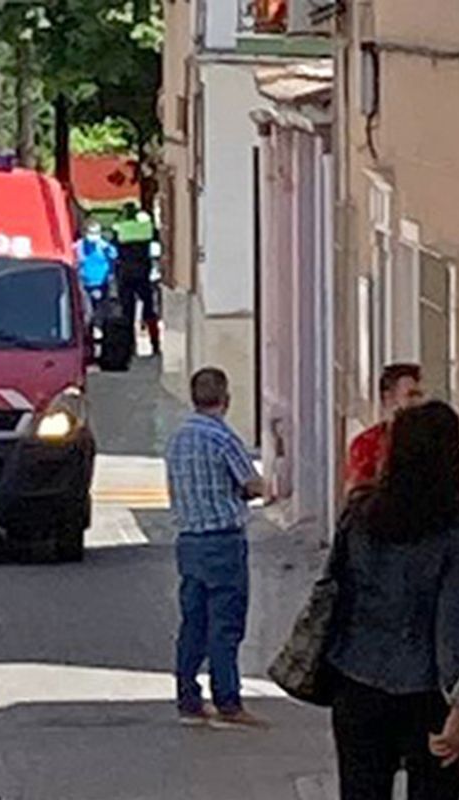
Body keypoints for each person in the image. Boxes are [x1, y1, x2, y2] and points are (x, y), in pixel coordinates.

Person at [325, 401, 459, 800]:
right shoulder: (454, 535)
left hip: (357, 686)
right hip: (427, 697)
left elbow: (335, 592)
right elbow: (455, 628)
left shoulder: (359, 516)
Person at [165, 368, 267, 730]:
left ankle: (188, 698)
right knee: (225, 623)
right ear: (225, 398)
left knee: (193, 622)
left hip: (189, 540)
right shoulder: (222, 438)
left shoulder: (177, 438)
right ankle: (228, 699)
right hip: (223, 540)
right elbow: (252, 484)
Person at [344, 363, 425, 490]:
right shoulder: (368, 445)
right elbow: (357, 496)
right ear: (389, 398)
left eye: (420, 395)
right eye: (411, 395)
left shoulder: (430, 443)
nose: (418, 403)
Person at [113, 204, 160, 356]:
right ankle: (155, 344)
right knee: (149, 312)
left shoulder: (121, 228)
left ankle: (130, 347)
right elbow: (158, 238)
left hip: (125, 275)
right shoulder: (146, 228)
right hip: (142, 274)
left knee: (127, 313)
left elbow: (115, 247)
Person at [75, 221, 118, 314]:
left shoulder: (104, 246)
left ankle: (99, 326)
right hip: (85, 283)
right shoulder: (79, 245)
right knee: (87, 311)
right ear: (85, 232)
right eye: (91, 232)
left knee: (103, 310)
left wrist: (107, 248)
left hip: (103, 282)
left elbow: (114, 256)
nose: (94, 235)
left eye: (96, 232)